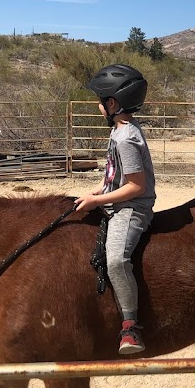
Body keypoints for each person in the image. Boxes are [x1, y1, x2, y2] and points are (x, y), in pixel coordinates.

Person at [74, 64, 156, 355]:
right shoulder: (120, 131)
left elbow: (136, 186)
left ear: (112, 103)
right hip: (116, 199)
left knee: (116, 261)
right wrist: (98, 189)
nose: (97, 106)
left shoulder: (127, 138)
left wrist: (99, 201)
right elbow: (114, 173)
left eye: (99, 101)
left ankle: (130, 327)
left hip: (132, 208)